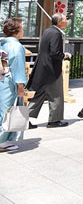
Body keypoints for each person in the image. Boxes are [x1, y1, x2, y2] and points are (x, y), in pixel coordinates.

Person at [27, 13, 71, 128]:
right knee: (56, 95)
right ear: (59, 22)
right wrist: (64, 55)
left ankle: (24, 119)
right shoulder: (56, 33)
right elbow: (55, 52)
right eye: (65, 19)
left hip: (43, 68)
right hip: (51, 69)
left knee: (40, 95)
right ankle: (54, 120)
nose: (67, 21)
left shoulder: (48, 31)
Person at [0, 18, 27, 151]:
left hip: (2, 78)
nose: (23, 30)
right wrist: (20, 86)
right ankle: (2, 140)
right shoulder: (16, 46)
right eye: (21, 28)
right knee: (7, 111)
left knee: (3, 110)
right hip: (9, 82)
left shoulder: (4, 43)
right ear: (17, 31)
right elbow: (17, 66)